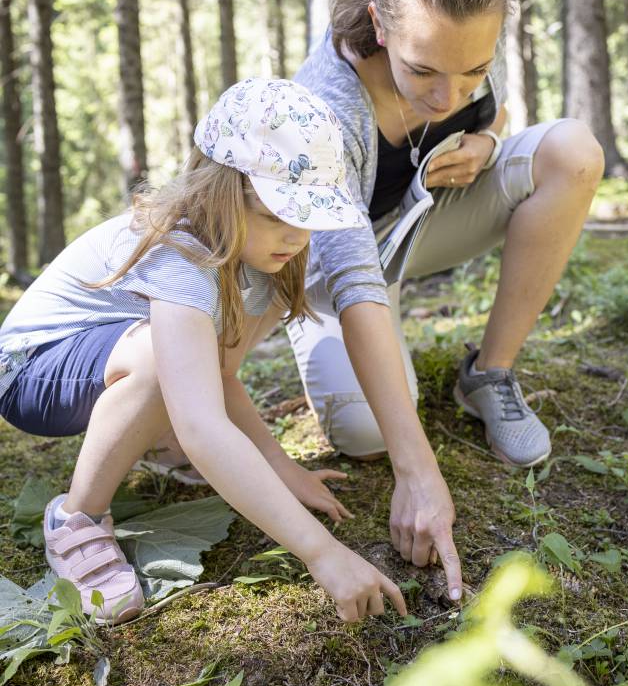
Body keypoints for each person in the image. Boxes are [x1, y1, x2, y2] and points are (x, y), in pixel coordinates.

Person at [0, 78, 408, 625]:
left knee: (177, 371)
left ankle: (148, 438)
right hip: (30, 370)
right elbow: (203, 423)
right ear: (222, 190)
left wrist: (279, 465)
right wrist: (324, 554)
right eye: (277, 216)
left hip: (101, 360)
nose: (295, 237)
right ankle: (76, 520)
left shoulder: (258, 256)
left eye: (307, 219)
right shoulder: (181, 252)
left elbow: (217, 377)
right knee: (160, 364)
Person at [287, 0, 605, 602]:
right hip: (336, 274)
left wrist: (487, 143)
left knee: (573, 152)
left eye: (471, 70)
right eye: (423, 69)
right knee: (370, 432)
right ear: (378, 24)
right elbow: (349, 278)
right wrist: (418, 471)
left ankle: (488, 374)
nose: (445, 96)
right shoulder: (327, 109)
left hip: (419, 228)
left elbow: (490, 109)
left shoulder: (457, 64)